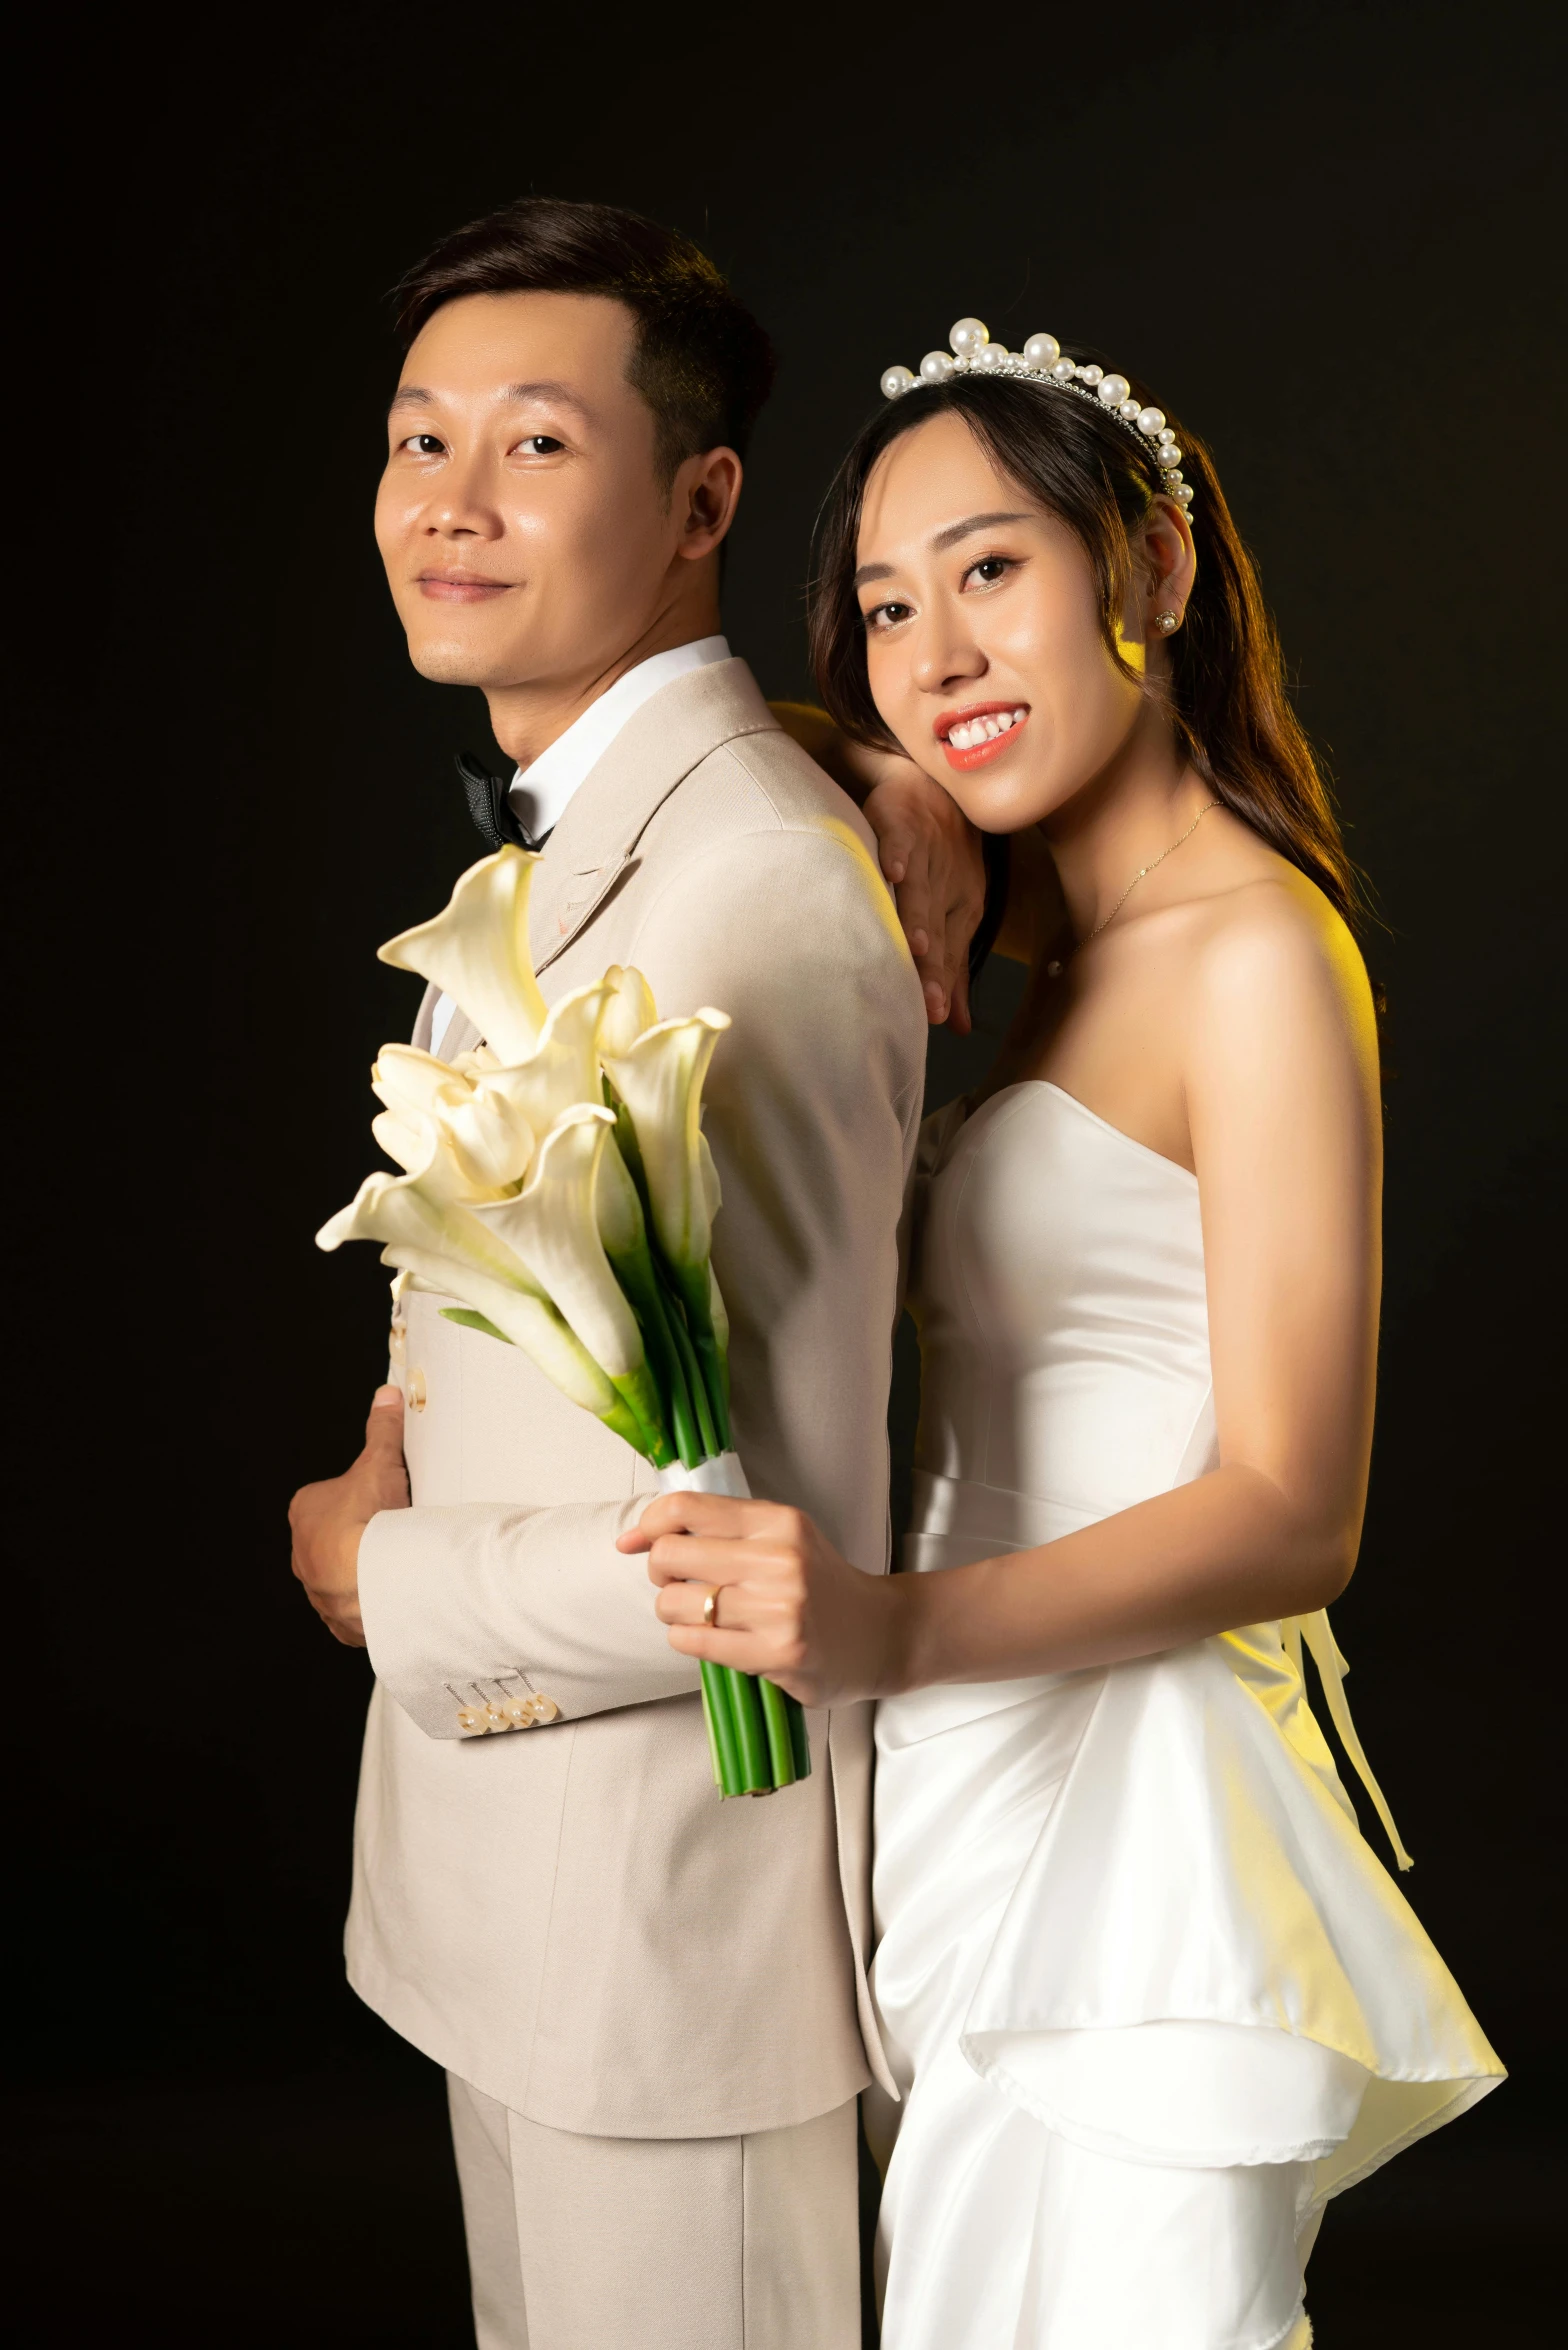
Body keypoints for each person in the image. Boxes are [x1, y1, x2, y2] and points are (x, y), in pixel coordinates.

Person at [624, 320, 1505, 2348]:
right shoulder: (1054, 942)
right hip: (969, 1758)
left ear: (1157, 573)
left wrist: (885, 1628)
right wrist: (872, 778)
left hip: (1128, 1780)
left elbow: (1292, 1508)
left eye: (992, 568)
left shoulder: (1258, 952)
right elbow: (738, 735)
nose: (935, 653)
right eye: (884, 606)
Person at [286, 202, 982, 2350]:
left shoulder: (749, 886)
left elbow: (753, 1534)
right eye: (417, 444)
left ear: (699, 498)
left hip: (665, 1933)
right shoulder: (611, 823)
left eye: (531, 445)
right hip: (533, 1892)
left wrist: (369, 1573)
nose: (450, 506)